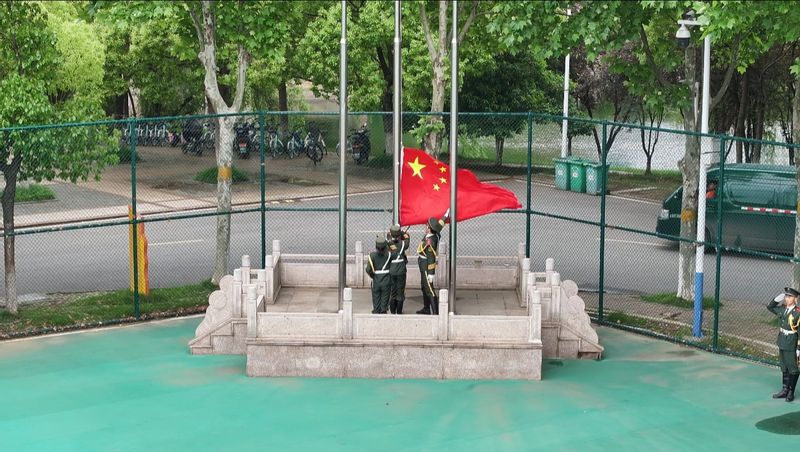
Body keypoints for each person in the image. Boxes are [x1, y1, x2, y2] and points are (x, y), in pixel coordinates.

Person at [767, 287, 800, 402]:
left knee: (793, 368)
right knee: (784, 366)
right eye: (786, 296)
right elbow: (770, 307)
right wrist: (776, 300)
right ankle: (784, 390)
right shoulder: (782, 309)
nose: (787, 298)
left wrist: (799, 348)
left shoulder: (797, 312)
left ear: (795, 299)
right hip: (782, 341)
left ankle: (791, 392)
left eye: (789, 296)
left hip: (791, 342)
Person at [416, 216, 446, 315]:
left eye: (427, 226)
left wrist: (431, 273)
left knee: (429, 289)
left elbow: (431, 258)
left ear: (429, 229)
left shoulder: (430, 242)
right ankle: (426, 308)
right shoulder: (435, 234)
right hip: (422, 264)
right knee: (424, 287)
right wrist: (445, 217)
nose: (425, 227)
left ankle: (436, 313)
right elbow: (439, 226)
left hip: (426, 266)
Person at [387, 224, 410, 314]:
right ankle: (399, 312)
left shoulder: (388, 243)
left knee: (392, 292)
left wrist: (393, 233)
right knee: (400, 292)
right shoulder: (403, 244)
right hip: (401, 270)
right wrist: (402, 232)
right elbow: (407, 237)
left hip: (391, 269)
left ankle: (393, 312)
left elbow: (389, 236)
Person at [365, 236, 392, 314]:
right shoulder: (389, 255)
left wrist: (373, 275)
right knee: (385, 296)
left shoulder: (372, 255)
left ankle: (376, 310)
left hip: (376, 279)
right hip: (386, 279)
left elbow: (368, 269)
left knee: (376, 296)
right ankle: (383, 310)